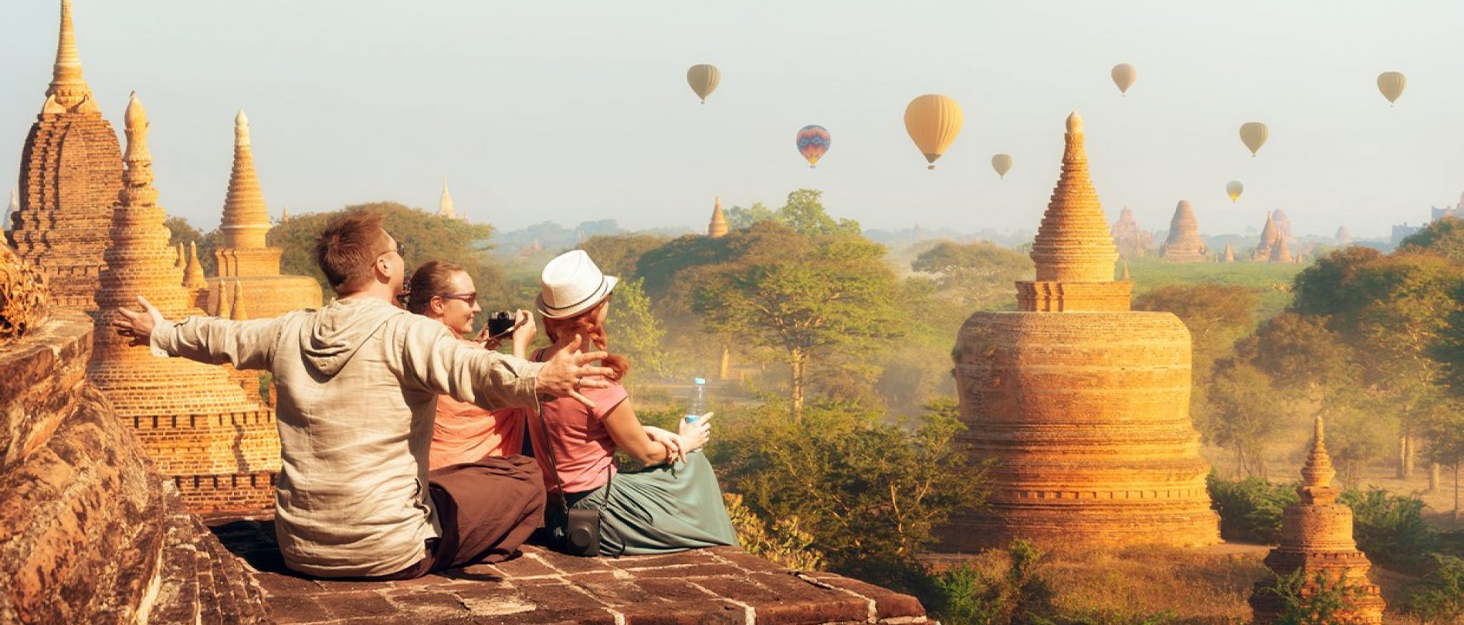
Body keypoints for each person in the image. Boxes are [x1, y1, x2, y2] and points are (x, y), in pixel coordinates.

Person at [112, 211, 614, 579]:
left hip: (301, 546)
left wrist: (162, 332)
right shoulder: (407, 333)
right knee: (523, 478)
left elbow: (224, 337)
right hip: (390, 550)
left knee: (462, 477)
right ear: (381, 267)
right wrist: (536, 379)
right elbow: (473, 368)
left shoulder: (290, 330)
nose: (401, 257)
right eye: (396, 250)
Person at [526, 250, 740, 555]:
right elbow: (647, 455)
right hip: (599, 512)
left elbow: (573, 430)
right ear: (597, 310)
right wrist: (686, 440)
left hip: (556, 513)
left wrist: (648, 428)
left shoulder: (535, 365)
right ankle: (728, 548)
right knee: (692, 464)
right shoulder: (595, 381)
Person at [406, 260, 535, 470]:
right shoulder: (457, 354)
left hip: (429, 469)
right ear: (438, 304)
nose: (477, 308)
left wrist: (480, 348)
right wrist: (520, 344)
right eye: (469, 300)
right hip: (473, 476)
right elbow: (519, 391)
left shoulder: (410, 344)